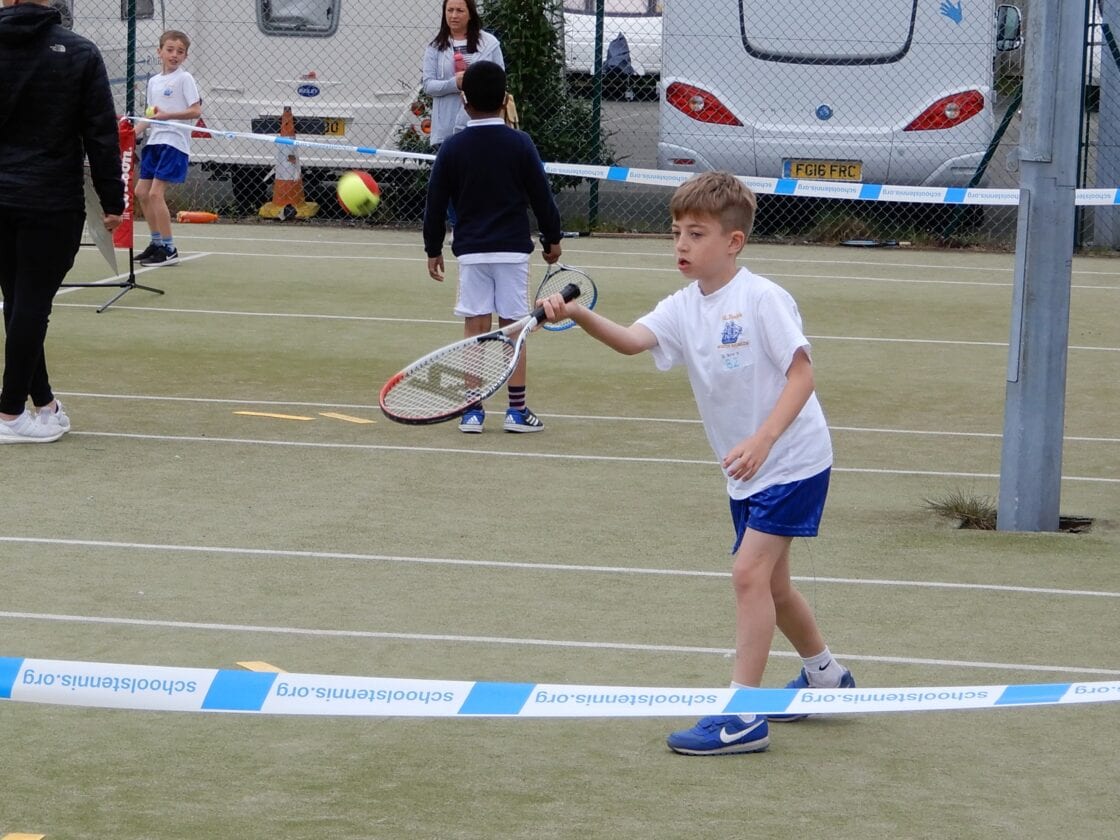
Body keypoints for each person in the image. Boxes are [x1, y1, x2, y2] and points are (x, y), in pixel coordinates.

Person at [540, 171, 854, 755]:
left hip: (792, 459)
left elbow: (802, 375)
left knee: (748, 575)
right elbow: (632, 340)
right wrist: (576, 315)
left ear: (733, 242)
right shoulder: (683, 306)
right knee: (774, 584)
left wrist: (763, 440)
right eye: (677, 232)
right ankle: (826, 676)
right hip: (747, 469)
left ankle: (741, 716)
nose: (681, 244)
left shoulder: (761, 298)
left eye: (696, 233)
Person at [0, 0, 123, 443]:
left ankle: (44, 404)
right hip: (49, 197)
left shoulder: (79, 51)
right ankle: (10, 412)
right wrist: (112, 198)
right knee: (31, 304)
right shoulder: (79, 51)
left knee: (19, 301)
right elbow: (101, 132)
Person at [423, 60, 562, 433]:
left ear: (464, 102)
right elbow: (542, 196)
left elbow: (435, 202)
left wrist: (433, 248)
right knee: (515, 330)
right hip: (512, 251)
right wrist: (552, 238)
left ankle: (472, 411)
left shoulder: (452, 148)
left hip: (472, 252)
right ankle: (516, 411)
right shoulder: (521, 143)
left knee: (475, 328)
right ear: (504, 101)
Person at [135, 29, 201, 267]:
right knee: (141, 193)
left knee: (155, 193)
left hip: (174, 142)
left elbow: (195, 111)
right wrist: (133, 132)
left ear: (185, 56)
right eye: (170, 50)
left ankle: (170, 250)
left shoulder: (185, 79)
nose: (174, 55)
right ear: (159, 52)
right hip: (155, 141)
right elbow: (151, 115)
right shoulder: (154, 82)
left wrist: (168, 116)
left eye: (180, 52)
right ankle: (156, 243)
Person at [422, 0, 504, 148]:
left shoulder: (490, 44)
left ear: (470, 14)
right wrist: (454, 83)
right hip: (447, 131)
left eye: (460, 10)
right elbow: (428, 85)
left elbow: (500, 81)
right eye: (450, 10)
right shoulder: (435, 47)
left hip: (482, 127)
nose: (454, 15)